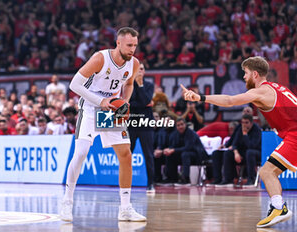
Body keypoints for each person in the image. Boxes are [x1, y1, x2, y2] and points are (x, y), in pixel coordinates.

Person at [181, 56, 297, 228]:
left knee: (267, 172)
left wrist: (200, 97)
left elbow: (230, 101)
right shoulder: (279, 87)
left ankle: (278, 207)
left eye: (245, 73)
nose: (244, 77)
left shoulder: (260, 91)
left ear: (255, 74)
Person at [60, 27, 146, 222]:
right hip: (90, 108)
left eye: (135, 45)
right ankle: (67, 201)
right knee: (81, 153)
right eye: (129, 45)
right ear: (118, 43)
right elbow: (74, 85)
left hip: (111, 110)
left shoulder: (133, 64)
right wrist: (100, 102)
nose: (133, 49)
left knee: (125, 154)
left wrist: (124, 101)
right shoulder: (100, 58)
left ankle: (125, 208)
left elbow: (129, 83)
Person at [128, 62, 155, 193]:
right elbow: (129, 103)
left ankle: (151, 184)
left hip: (146, 124)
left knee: (148, 155)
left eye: (142, 69)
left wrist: (140, 85)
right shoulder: (128, 85)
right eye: (137, 69)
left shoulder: (149, 85)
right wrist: (144, 104)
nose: (139, 71)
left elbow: (144, 100)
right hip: (132, 124)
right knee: (127, 155)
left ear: (144, 71)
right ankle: (125, 184)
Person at [216, 114, 261, 186]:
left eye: (246, 123)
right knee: (228, 153)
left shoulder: (257, 130)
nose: (244, 125)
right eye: (243, 122)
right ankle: (228, 179)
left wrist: (245, 135)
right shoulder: (240, 128)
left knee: (249, 152)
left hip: (256, 152)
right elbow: (235, 143)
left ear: (251, 123)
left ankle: (251, 179)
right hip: (243, 152)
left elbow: (252, 146)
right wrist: (236, 153)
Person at [163, 118, 207, 185]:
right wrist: (168, 149)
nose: (180, 127)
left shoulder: (191, 133)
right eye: (178, 125)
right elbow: (173, 146)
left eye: (182, 124)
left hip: (197, 155)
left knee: (185, 154)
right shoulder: (174, 134)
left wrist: (173, 150)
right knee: (170, 155)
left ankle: (186, 179)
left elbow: (188, 147)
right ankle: (172, 178)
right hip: (183, 155)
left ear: (185, 125)